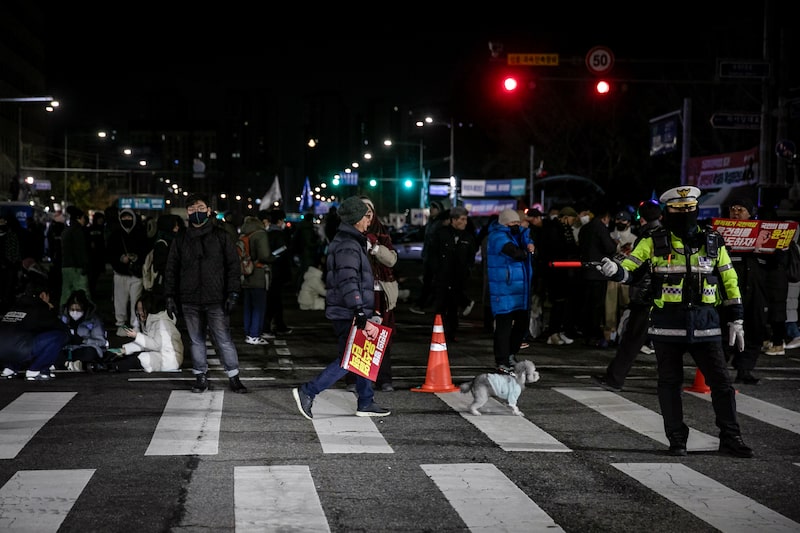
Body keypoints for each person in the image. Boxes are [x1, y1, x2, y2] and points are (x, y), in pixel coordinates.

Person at [596, 185, 753, 458]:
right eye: (679, 210)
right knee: (669, 385)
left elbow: (729, 280)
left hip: (706, 325)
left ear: (696, 210)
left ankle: (731, 437)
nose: (685, 214)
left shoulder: (713, 240)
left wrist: (736, 319)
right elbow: (632, 269)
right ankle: (677, 439)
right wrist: (616, 271)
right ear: (668, 212)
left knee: (722, 385)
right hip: (667, 326)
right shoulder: (653, 240)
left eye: (690, 209)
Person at [292, 195, 391, 419]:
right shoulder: (348, 244)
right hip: (349, 312)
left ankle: (366, 401)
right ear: (356, 218)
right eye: (366, 216)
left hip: (352, 309)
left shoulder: (350, 241)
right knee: (350, 359)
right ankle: (308, 391)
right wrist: (359, 310)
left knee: (361, 355)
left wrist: (367, 309)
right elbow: (348, 280)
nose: (369, 220)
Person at [164, 193, 247, 394]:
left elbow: (233, 267)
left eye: (201, 208)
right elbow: (171, 268)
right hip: (189, 298)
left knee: (223, 339)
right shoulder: (181, 238)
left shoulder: (222, 236)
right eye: (192, 209)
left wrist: (233, 293)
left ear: (209, 211)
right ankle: (200, 376)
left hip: (216, 298)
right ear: (187, 212)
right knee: (196, 340)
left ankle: (234, 376)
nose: (196, 213)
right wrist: (169, 296)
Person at [593, 200, 663, 392]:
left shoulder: (646, 237)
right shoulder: (669, 235)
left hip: (645, 296)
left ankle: (615, 378)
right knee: (667, 343)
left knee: (632, 340)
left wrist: (618, 271)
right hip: (666, 297)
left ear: (640, 219)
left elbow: (634, 265)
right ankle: (669, 382)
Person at [357, 196, 400, 391]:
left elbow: (391, 260)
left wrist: (375, 248)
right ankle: (357, 379)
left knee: (383, 336)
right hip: (361, 292)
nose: (367, 213)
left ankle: (384, 378)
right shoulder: (352, 234)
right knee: (359, 336)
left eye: (370, 209)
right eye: (363, 209)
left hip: (381, 293)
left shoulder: (381, 233)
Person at [486, 209, 535, 374]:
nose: (516, 226)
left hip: (519, 291)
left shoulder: (518, 235)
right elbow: (514, 253)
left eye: (517, 223)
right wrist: (525, 251)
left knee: (522, 325)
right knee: (503, 327)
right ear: (504, 223)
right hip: (503, 290)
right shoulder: (497, 236)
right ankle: (501, 360)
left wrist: (529, 244)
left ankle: (511, 354)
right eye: (512, 223)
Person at [0, 281, 69, 381]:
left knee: (20, 338)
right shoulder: (40, 308)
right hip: (20, 350)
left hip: (2, 352)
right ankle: (36, 370)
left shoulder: (15, 306)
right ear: (43, 295)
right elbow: (62, 329)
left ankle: (9, 369)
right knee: (59, 336)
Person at [427, 206, 476, 344]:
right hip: (442, 278)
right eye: (462, 219)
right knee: (440, 308)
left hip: (458, 279)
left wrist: (467, 270)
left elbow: (470, 256)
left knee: (453, 309)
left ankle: (451, 334)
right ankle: (438, 333)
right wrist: (437, 270)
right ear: (453, 220)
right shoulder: (441, 234)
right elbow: (433, 254)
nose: (465, 222)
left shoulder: (467, 237)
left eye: (466, 219)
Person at [539, 206, 580, 345]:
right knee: (557, 303)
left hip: (564, 271)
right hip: (556, 272)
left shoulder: (564, 229)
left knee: (563, 304)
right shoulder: (554, 229)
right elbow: (557, 249)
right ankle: (553, 332)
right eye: (572, 219)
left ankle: (559, 331)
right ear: (566, 217)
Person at [106, 208, 151, 336]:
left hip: (136, 274)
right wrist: (120, 259)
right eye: (124, 218)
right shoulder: (115, 234)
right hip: (120, 273)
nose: (126, 220)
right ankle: (120, 324)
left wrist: (136, 258)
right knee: (120, 300)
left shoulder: (141, 233)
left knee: (136, 301)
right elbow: (109, 253)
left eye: (129, 217)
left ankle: (135, 325)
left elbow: (145, 252)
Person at [578, 203, 617, 347]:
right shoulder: (601, 229)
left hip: (585, 271)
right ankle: (594, 335)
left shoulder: (585, 228)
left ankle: (586, 333)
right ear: (606, 217)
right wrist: (614, 244)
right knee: (597, 306)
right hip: (598, 273)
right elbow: (609, 247)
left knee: (586, 304)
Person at [115, 291, 184, 373]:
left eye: (142, 309)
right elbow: (146, 343)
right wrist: (125, 349)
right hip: (161, 355)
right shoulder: (151, 321)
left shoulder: (162, 323)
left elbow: (156, 345)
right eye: (138, 310)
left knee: (140, 359)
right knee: (129, 357)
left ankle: (114, 366)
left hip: (169, 359)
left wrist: (137, 336)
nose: (139, 312)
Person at [56, 289, 109, 371]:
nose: (74, 312)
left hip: (84, 348)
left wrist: (83, 341)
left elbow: (101, 342)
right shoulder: (63, 319)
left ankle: (68, 364)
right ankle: (68, 364)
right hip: (66, 349)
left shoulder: (93, 320)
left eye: (78, 309)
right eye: (72, 309)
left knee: (89, 353)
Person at [239, 215, 272, 345]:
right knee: (259, 307)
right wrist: (272, 258)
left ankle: (248, 333)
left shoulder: (243, 235)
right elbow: (264, 255)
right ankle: (254, 335)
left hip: (246, 273)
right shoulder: (260, 234)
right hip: (258, 273)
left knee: (248, 307)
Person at [410, 200, 444, 314]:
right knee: (429, 283)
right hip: (429, 258)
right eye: (431, 207)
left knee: (431, 283)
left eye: (434, 208)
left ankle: (423, 305)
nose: (431, 209)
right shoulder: (431, 223)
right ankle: (424, 304)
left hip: (434, 259)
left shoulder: (439, 223)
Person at [264, 208, 293, 336]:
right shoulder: (279, 235)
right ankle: (271, 326)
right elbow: (283, 253)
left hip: (269, 271)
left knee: (273, 299)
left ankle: (277, 324)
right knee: (274, 300)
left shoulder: (266, 233)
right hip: (277, 271)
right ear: (280, 220)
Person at [60, 206, 91, 307]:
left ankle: (63, 314)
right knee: (83, 293)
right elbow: (80, 250)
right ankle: (86, 315)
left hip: (66, 266)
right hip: (77, 267)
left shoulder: (66, 230)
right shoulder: (78, 231)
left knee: (66, 293)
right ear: (79, 218)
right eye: (83, 218)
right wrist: (85, 265)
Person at [86, 211, 107, 298]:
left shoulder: (103, 229)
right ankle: (91, 292)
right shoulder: (92, 229)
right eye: (99, 219)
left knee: (95, 276)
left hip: (98, 256)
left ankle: (92, 291)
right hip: (92, 257)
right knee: (92, 277)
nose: (101, 221)